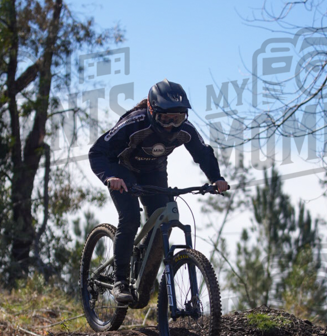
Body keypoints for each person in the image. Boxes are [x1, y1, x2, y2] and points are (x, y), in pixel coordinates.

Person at [89, 79, 230, 304]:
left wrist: (216, 178)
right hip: (122, 170)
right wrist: (110, 177)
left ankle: (143, 273)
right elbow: (97, 152)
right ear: (153, 111)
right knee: (131, 218)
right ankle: (120, 280)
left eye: (178, 119)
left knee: (165, 217)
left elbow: (202, 153)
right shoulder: (134, 123)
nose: (171, 126)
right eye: (166, 118)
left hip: (153, 171)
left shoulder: (185, 130)